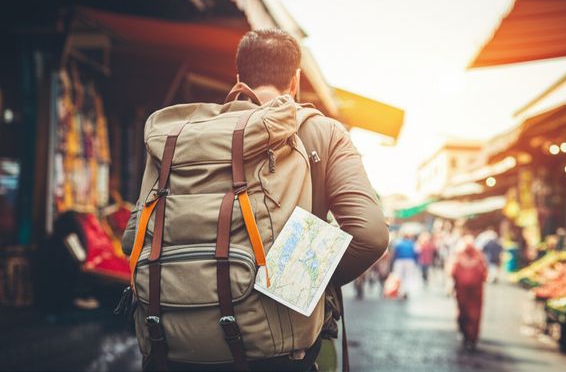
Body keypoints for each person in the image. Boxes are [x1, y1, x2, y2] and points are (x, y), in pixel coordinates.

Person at [155, 29, 389, 371]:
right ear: (294, 81)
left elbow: (136, 237)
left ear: (238, 79)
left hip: (179, 338)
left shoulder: (189, 133)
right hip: (278, 347)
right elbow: (370, 235)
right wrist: (300, 285)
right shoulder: (321, 131)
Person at [450, 236, 487, 351]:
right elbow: (484, 275)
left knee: (464, 312)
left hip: (464, 291)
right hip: (474, 292)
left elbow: (452, 272)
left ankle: (467, 335)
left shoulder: (459, 257)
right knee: (473, 314)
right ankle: (471, 337)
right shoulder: (479, 258)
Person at [391, 234, 417, 299]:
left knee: (399, 276)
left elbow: (394, 253)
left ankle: (400, 291)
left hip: (399, 261)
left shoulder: (398, 243)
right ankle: (406, 291)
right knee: (408, 277)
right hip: (409, 261)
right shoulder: (412, 244)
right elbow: (416, 253)